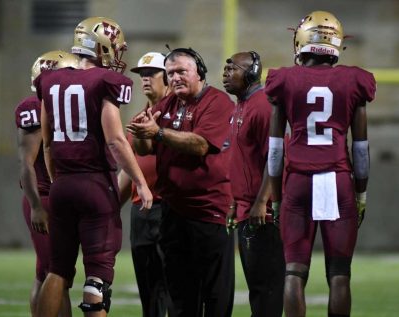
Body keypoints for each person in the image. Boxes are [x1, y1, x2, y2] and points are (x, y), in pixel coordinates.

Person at [34, 17, 153, 317]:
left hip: (61, 185)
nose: (117, 55)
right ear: (100, 46)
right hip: (95, 185)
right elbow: (115, 139)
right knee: (97, 278)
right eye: (114, 48)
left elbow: (47, 143)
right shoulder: (105, 82)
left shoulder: (49, 80)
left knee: (57, 270)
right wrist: (140, 182)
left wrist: (56, 180)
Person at [265, 11, 376, 317]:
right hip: (337, 180)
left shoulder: (284, 79)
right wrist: (361, 193)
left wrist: (276, 198)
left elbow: (275, 149)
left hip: (298, 181)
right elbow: (361, 148)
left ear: (302, 40)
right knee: (339, 273)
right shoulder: (354, 80)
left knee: (294, 271)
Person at [127, 47, 235, 317]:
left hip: (209, 213)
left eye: (181, 72)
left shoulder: (218, 102)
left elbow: (200, 145)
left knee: (215, 296)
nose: (174, 78)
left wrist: (159, 132)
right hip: (173, 214)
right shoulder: (168, 104)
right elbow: (144, 149)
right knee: (180, 297)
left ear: (198, 71)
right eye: (171, 73)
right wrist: (142, 131)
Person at [222, 51, 285, 316]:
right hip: (247, 209)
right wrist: (235, 200)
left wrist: (261, 202)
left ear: (251, 73)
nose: (225, 74)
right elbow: (243, 160)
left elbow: (277, 158)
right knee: (257, 288)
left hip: (263, 214)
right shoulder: (241, 104)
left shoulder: (261, 106)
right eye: (225, 69)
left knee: (267, 290)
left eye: (232, 69)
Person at [16, 50, 79, 317]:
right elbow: (26, 164)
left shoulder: (62, 106)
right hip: (43, 197)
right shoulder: (33, 106)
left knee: (55, 272)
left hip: (63, 198)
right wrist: (36, 207)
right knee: (53, 271)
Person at [117, 51, 170, 317]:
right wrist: (109, 208)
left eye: (152, 74)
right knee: (149, 293)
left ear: (168, 77)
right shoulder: (138, 120)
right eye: (142, 75)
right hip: (142, 212)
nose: (145, 79)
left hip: (172, 210)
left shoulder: (181, 114)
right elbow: (130, 169)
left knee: (176, 290)